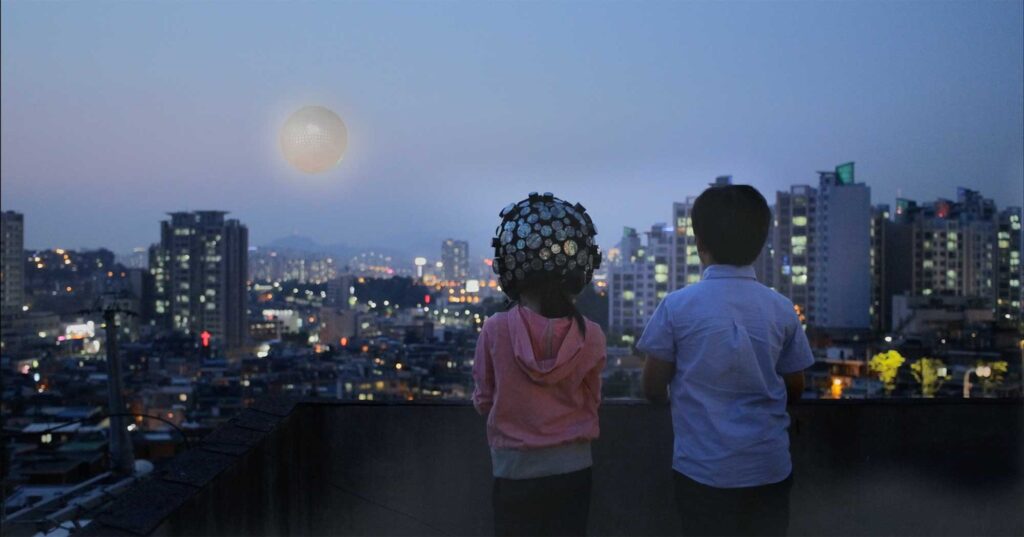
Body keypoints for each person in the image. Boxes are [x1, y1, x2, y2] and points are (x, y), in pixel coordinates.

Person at [637, 184, 814, 537]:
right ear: (760, 242)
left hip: (702, 471)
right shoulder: (781, 308)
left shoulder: (676, 306)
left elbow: (653, 387)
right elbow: (795, 386)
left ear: (699, 242)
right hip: (769, 468)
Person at [473, 192, 607, 537]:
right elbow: (593, 400)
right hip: (574, 468)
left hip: (514, 469)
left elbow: (484, 400)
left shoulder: (495, 329)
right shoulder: (591, 335)